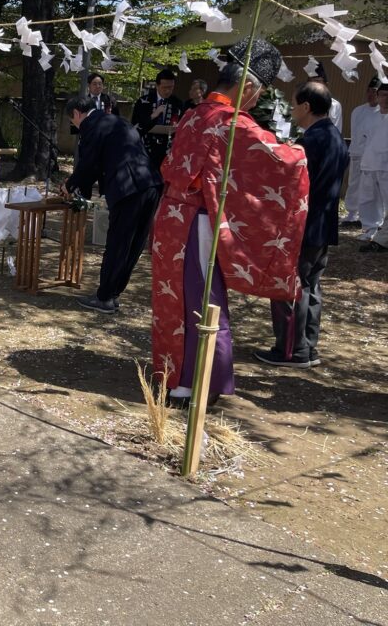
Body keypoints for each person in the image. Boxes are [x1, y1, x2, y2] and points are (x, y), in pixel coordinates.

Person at [151, 37, 309, 405]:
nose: (255, 102)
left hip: (171, 217)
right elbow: (282, 161)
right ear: (248, 86)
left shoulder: (193, 114)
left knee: (175, 298)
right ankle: (193, 382)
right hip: (198, 221)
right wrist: (303, 149)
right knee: (202, 299)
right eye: (257, 95)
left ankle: (176, 374)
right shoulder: (230, 123)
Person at [254, 82, 349, 368]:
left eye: (295, 105)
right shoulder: (334, 135)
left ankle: (292, 350)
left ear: (306, 107)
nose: (292, 110)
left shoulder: (311, 141)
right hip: (323, 223)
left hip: (304, 224)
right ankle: (307, 345)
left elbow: (291, 183)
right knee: (311, 285)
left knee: (292, 285)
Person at [61, 95, 161, 314]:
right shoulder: (117, 120)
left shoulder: (91, 125)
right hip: (151, 184)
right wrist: (81, 190)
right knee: (134, 244)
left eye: (73, 121)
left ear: (77, 113)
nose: (75, 125)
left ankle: (105, 297)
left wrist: (70, 186)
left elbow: (88, 164)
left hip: (128, 188)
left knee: (117, 242)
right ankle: (114, 293)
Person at [341, 77, 381, 226]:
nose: (371, 94)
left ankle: (369, 217)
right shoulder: (358, 111)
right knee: (354, 183)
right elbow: (355, 132)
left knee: (370, 188)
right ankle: (351, 213)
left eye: (375, 92)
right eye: (369, 91)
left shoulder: (382, 113)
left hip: (373, 156)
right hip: (357, 152)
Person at [132, 69, 182, 172]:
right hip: (146, 147)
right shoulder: (144, 101)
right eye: (165, 87)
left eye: (171, 87)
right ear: (157, 85)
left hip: (168, 148)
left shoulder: (177, 103)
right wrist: (153, 116)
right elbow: (136, 125)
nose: (168, 91)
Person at [357, 83, 388, 241]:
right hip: (369, 163)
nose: (385, 98)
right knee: (368, 198)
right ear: (378, 96)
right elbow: (363, 141)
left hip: (386, 165)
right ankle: (370, 229)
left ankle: (385, 235)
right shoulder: (371, 118)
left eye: (387, 95)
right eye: (382, 95)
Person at [308, 62, 343, 132]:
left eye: (318, 82)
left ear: (326, 85)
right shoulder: (302, 103)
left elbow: (335, 131)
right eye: (311, 82)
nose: (314, 86)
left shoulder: (334, 105)